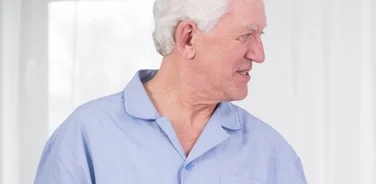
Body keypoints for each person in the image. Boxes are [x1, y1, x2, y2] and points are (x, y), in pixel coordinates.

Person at [34, 0, 307, 183]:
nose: (259, 55)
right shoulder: (84, 137)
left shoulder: (275, 156)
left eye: (261, 35)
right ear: (188, 38)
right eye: (246, 35)